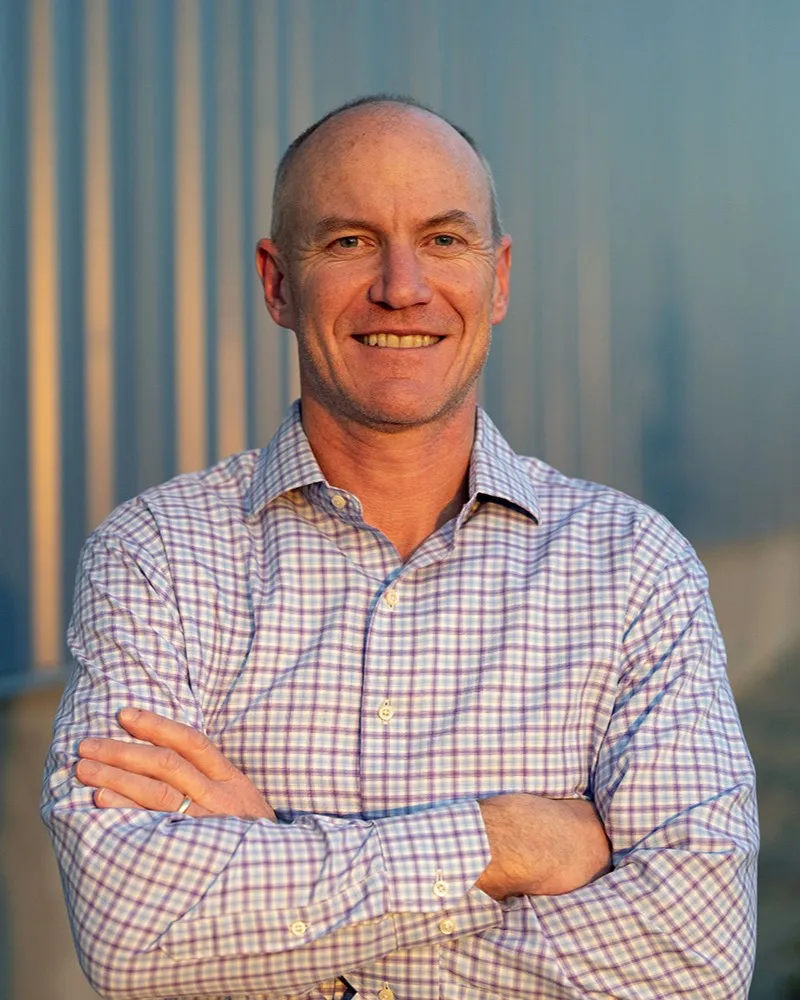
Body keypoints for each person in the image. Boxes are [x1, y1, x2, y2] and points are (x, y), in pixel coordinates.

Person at [42, 95, 758, 1000]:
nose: (403, 287)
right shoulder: (159, 555)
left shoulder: (632, 568)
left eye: (445, 240)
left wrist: (280, 882)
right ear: (276, 282)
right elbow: (131, 931)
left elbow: (695, 959)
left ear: (498, 280)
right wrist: (505, 842)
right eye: (348, 241)